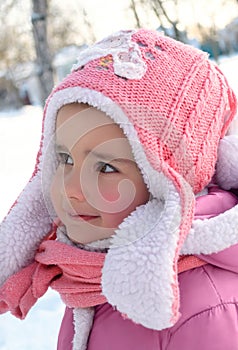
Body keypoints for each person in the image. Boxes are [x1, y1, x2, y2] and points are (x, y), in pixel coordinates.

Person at [0, 28, 238, 350]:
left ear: (167, 181)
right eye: (64, 158)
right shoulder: (88, 274)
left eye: (107, 168)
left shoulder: (204, 310)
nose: (71, 189)